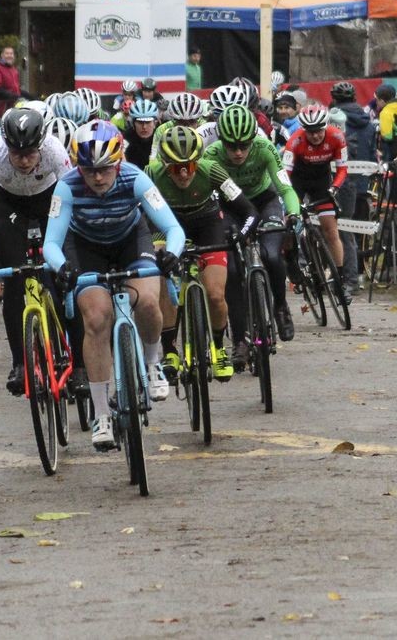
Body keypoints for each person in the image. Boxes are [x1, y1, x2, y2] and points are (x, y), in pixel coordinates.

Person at [42, 121, 186, 452]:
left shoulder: (136, 178)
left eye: (105, 169)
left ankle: (152, 366)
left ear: (118, 161)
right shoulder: (65, 187)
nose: (97, 177)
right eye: (89, 170)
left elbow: (172, 228)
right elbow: (52, 242)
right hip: (85, 247)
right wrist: (62, 267)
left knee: (149, 301)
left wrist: (172, 255)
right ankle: (102, 413)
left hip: (130, 241)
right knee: (96, 319)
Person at [0, 107, 72, 395]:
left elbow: (75, 200)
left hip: (50, 199)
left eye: (30, 154)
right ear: (6, 147)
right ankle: (20, 364)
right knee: (14, 280)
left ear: (40, 145)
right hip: (9, 204)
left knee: (59, 276)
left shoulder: (53, 149)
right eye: (17, 155)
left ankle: (71, 355)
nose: (24, 161)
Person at [147, 126, 257, 382]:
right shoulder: (152, 173)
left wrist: (241, 234)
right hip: (167, 225)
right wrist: (156, 247)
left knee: (216, 294)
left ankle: (217, 346)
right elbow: (143, 217)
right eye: (176, 167)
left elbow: (249, 211)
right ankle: (170, 349)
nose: (184, 173)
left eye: (190, 166)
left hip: (208, 225)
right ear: (165, 164)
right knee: (163, 275)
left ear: (198, 162)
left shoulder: (210, 169)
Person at [206, 104, 301, 362]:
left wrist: (293, 214)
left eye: (243, 145)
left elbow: (285, 188)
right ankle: (239, 340)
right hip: (231, 207)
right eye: (232, 146)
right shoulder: (211, 154)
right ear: (222, 141)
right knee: (233, 273)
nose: (238, 152)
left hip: (263, 200)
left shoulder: (264, 148)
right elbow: (207, 196)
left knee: (271, 256)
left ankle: (280, 306)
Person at [283, 103, 349, 300]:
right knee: (289, 225)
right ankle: (293, 264)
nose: (316, 136)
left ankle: (340, 282)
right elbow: (285, 173)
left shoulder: (337, 137)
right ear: (304, 130)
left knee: (331, 230)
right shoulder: (295, 141)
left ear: (326, 126)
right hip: (297, 181)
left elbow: (342, 168)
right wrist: (290, 201)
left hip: (322, 182)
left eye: (319, 131)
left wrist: (334, 187)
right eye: (311, 132)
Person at [330, 82, 376, 295]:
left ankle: (347, 279)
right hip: (363, 182)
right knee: (353, 234)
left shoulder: (334, 117)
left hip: (342, 182)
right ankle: (355, 275)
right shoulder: (368, 119)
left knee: (341, 232)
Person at [122, 98, 159, 167]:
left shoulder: (160, 137)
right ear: (133, 124)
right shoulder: (126, 138)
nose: (144, 127)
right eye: (140, 122)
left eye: (148, 122)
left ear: (155, 124)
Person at [373, 83, 397, 161]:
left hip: (394, 150)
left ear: (382, 101)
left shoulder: (385, 113)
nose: (376, 102)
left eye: (377, 100)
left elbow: (388, 137)